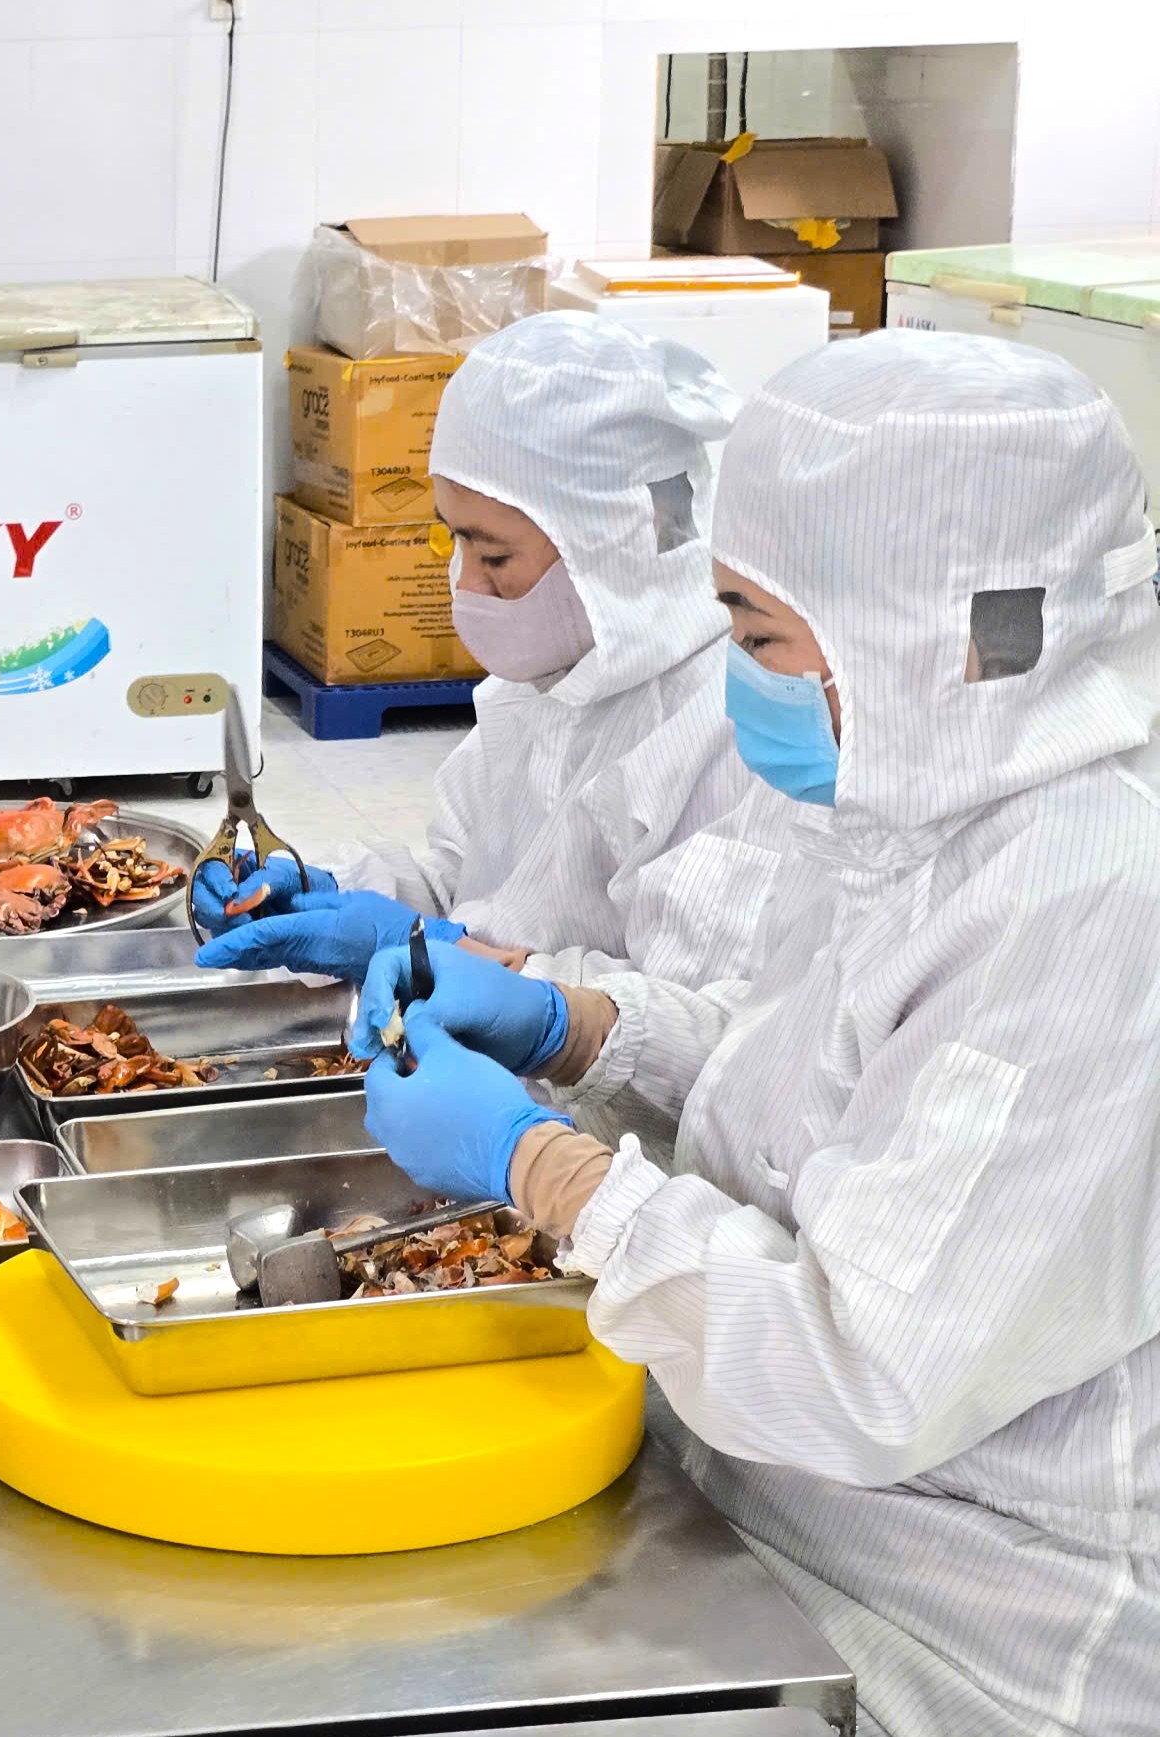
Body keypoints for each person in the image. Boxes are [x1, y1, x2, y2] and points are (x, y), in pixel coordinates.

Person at [346, 331, 1160, 1736]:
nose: (735, 679)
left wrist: (548, 1171)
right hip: (766, 1493)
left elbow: (859, 1374)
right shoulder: (924, 811)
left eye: (759, 635)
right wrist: (575, 1024)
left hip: (954, 1626)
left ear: (930, 637)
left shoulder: (1088, 910)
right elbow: (805, 1068)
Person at [198, 312, 778, 992]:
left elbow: (694, 1019)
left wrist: (469, 971)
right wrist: (333, 892)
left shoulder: (729, 729)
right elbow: (469, 891)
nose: (467, 585)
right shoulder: (543, 684)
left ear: (615, 541)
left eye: (495, 555)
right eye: (456, 540)